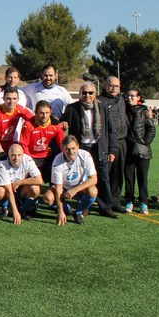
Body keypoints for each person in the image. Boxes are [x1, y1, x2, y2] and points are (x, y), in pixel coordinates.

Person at [61, 82, 118, 219]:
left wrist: (112, 150)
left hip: (99, 148)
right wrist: (61, 123)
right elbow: (61, 122)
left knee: (103, 178)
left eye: (90, 93)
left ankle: (105, 207)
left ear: (95, 94)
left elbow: (111, 131)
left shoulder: (103, 108)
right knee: (81, 178)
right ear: (80, 94)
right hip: (80, 149)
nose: (87, 95)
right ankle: (84, 206)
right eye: (84, 93)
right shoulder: (72, 108)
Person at [43, 135, 98, 225]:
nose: (71, 151)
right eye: (67, 149)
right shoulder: (57, 160)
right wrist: (60, 211)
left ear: (78, 147)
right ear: (62, 149)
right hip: (64, 187)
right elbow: (58, 187)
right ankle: (66, 209)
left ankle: (78, 212)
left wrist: (75, 190)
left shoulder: (85, 156)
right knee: (47, 198)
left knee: (93, 191)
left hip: (79, 186)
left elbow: (94, 179)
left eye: (73, 148)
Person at [97, 76, 128, 212]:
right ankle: (104, 203)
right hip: (106, 142)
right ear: (105, 85)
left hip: (121, 141)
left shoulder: (122, 100)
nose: (114, 88)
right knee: (104, 174)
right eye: (111, 85)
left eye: (116, 86)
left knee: (117, 173)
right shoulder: (99, 101)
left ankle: (115, 201)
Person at [123, 89, 155, 214]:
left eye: (132, 96)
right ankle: (129, 201)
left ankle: (143, 202)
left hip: (143, 151)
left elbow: (151, 129)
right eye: (128, 95)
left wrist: (144, 143)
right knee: (129, 178)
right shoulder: (123, 110)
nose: (129, 98)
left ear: (138, 98)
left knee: (143, 178)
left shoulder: (144, 111)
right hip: (127, 150)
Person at [19, 100, 65, 183]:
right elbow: (24, 145)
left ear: (50, 112)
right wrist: (29, 162)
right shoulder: (28, 125)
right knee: (33, 189)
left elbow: (63, 144)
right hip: (33, 157)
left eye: (47, 113)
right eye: (41, 113)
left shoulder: (55, 125)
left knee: (56, 182)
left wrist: (64, 159)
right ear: (35, 112)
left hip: (48, 157)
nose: (44, 116)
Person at [0, 144, 43, 224]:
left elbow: (39, 180)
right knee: (0, 191)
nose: (16, 158)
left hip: (19, 189)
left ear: (23, 154)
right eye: (13, 155)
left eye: (19, 155)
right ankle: (4, 207)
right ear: (9, 155)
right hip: (8, 191)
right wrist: (15, 212)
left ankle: (25, 209)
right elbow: (8, 190)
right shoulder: (2, 164)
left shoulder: (28, 160)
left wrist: (19, 182)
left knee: (35, 189)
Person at [0, 87, 34, 156]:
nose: (11, 102)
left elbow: (34, 120)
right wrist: (1, 153)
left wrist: (50, 119)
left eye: (14, 99)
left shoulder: (19, 109)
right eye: (8, 99)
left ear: (18, 99)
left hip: (9, 143)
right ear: (3, 99)